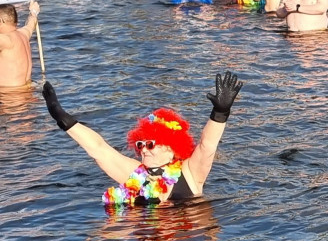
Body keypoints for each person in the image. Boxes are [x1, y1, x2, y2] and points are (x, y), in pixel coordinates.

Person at [41, 72, 244, 207]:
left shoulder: (190, 172)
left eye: (150, 144)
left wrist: (220, 112)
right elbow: (99, 148)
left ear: (171, 148)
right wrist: (61, 116)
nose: (143, 150)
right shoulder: (134, 173)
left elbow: (206, 146)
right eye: (140, 144)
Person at [0, 0, 39, 89]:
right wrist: (33, 12)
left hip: (11, 96)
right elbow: (31, 23)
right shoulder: (23, 34)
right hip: (27, 91)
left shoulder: (5, 40)